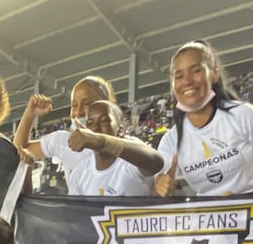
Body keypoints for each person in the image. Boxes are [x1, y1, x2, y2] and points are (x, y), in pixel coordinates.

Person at [155, 40, 253, 197]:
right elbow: (158, 183)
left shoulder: (243, 115)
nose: (187, 81)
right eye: (179, 76)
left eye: (196, 70)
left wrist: (247, 201)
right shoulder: (171, 140)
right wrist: (160, 184)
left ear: (214, 73)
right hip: (208, 219)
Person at [14, 76, 163, 196]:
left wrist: (100, 141)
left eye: (87, 104)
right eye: (73, 105)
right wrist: (30, 114)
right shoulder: (64, 144)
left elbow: (153, 161)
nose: (78, 112)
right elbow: (18, 151)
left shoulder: (129, 151)